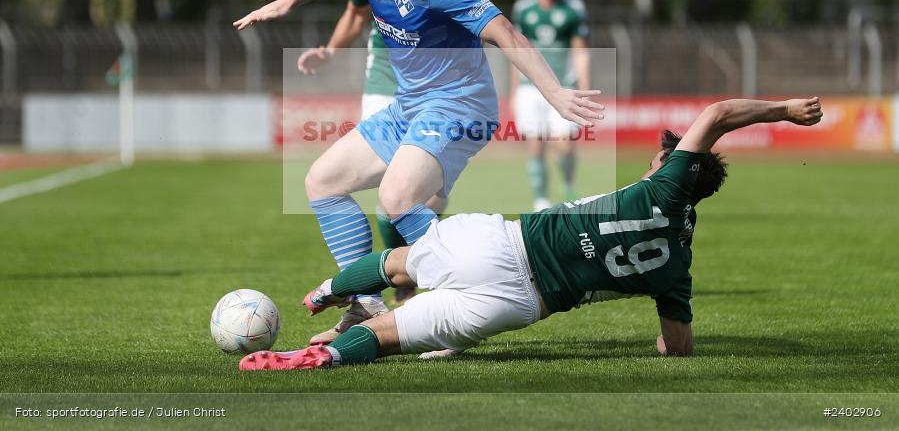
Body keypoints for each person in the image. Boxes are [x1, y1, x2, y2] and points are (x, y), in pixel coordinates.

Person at [233, 0, 603, 347]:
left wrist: (554, 93)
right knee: (322, 181)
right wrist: (289, 1)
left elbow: (504, 30)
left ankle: (467, 300)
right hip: (411, 104)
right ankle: (366, 304)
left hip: (461, 103)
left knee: (397, 195)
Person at [237, 97, 824, 370]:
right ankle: (326, 357)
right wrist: (663, 344)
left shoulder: (663, 187)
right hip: (520, 304)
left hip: (502, 242)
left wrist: (783, 111)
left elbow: (718, 113)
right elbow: (679, 347)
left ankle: (326, 292)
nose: (654, 161)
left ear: (675, 170)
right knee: (392, 337)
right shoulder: (678, 268)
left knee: (399, 264)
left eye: (661, 157)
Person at [296, 0, 476, 322]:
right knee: (377, 197)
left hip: (439, 91)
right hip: (385, 84)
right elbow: (357, 11)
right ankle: (382, 298)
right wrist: (330, 51)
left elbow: (468, 13)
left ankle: (445, 295)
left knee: (405, 201)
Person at [510, 0, 590, 210]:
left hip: (563, 87)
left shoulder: (574, 8)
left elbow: (580, 51)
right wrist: (513, 91)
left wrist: (585, 89)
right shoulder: (523, 8)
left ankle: (567, 183)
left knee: (564, 146)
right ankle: (541, 199)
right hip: (529, 88)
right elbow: (516, 51)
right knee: (535, 145)